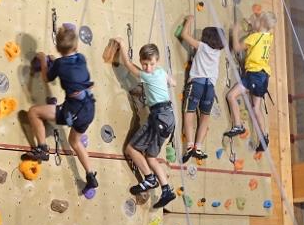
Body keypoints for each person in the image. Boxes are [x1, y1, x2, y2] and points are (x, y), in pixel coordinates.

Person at [20, 26, 99, 195]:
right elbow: (70, 69)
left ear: (57, 48)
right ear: (76, 47)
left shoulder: (59, 64)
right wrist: (55, 61)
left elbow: (46, 77)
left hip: (73, 111)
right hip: (89, 109)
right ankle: (90, 174)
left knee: (33, 112)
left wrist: (42, 60)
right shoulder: (82, 58)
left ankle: (42, 148)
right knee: (75, 142)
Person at [112, 41, 177, 210]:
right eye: (145, 64)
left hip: (158, 117)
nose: (148, 68)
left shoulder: (146, 76)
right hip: (168, 118)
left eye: (151, 64)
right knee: (151, 157)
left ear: (157, 60)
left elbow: (127, 64)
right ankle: (166, 190)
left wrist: (121, 45)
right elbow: (173, 82)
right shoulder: (161, 71)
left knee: (131, 149)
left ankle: (149, 178)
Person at [224, 11, 275, 153]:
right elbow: (259, 34)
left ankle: (239, 125)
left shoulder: (254, 37)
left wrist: (234, 32)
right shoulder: (269, 37)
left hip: (254, 75)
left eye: (257, 20)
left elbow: (236, 47)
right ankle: (264, 137)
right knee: (256, 109)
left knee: (231, 96)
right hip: (264, 77)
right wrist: (254, 25)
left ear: (262, 24)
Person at [176, 15, 224, 163]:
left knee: (189, 113)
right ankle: (199, 147)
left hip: (196, 84)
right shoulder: (218, 52)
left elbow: (184, 35)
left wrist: (188, 21)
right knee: (205, 117)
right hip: (210, 88)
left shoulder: (202, 46)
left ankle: (190, 145)